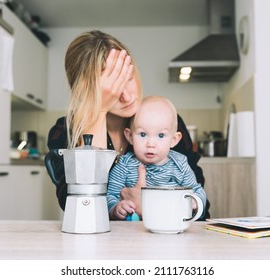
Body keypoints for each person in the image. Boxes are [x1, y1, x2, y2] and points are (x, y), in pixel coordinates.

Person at [46, 30, 210, 220]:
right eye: (111, 89)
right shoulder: (64, 131)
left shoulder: (162, 123)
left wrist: (152, 203)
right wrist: (98, 112)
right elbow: (83, 211)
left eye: (128, 78)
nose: (127, 96)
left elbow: (201, 209)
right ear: (85, 92)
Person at [107, 96, 207, 220]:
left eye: (160, 135)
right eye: (143, 134)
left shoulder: (180, 164)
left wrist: (195, 203)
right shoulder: (124, 165)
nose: (151, 144)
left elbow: (197, 190)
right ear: (130, 136)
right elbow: (110, 195)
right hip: (134, 233)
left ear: (174, 140)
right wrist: (116, 208)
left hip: (172, 227)